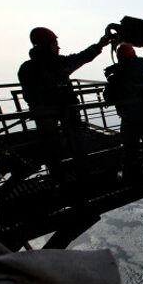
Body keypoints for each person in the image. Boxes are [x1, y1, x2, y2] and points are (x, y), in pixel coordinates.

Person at [17, 27, 111, 181]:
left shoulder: (26, 68)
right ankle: (82, 175)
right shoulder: (58, 64)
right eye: (55, 43)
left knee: (51, 146)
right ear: (46, 45)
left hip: (43, 114)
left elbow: (29, 95)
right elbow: (83, 57)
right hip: (66, 111)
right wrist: (100, 44)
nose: (58, 47)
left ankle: (58, 178)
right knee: (76, 143)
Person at [103, 43, 143, 179]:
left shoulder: (116, 74)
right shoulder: (142, 67)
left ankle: (131, 172)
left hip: (130, 116)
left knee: (130, 145)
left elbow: (109, 97)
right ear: (133, 54)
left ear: (119, 57)